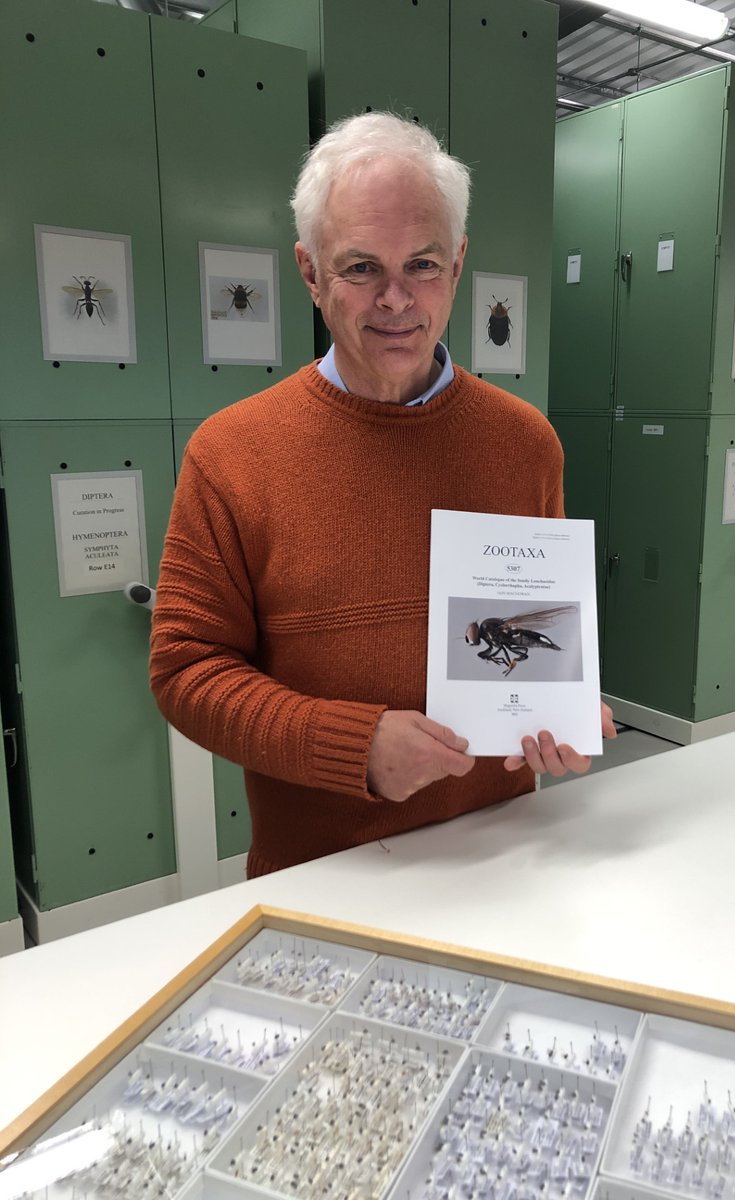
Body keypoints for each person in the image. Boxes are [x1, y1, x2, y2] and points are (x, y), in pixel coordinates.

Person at [150, 112, 614, 877]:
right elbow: (186, 670)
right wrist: (351, 746)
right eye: (362, 267)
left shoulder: (526, 442)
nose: (397, 299)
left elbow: (545, 633)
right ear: (309, 273)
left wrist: (566, 709)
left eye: (423, 265)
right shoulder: (231, 453)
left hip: (508, 858)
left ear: (459, 264)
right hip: (324, 876)